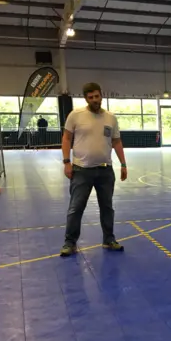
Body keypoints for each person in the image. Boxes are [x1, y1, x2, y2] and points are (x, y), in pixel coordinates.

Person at [60, 82, 127, 257]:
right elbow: (66, 139)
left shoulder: (111, 118)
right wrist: (67, 162)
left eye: (97, 96)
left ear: (101, 96)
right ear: (86, 98)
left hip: (105, 171)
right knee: (76, 208)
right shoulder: (75, 115)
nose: (95, 100)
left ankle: (109, 240)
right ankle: (70, 243)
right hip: (81, 171)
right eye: (91, 97)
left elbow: (116, 142)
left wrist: (123, 164)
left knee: (107, 207)